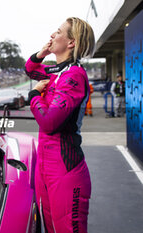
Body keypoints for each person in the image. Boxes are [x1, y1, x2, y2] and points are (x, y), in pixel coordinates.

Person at [25, 17, 94, 233]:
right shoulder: (56, 71)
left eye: (58, 32)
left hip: (65, 169)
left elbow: (49, 123)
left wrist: (34, 95)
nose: (52, 35)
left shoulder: (74, 75)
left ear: (71, 42)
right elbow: (30, 69)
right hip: (45, 166)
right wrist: (41, 54)